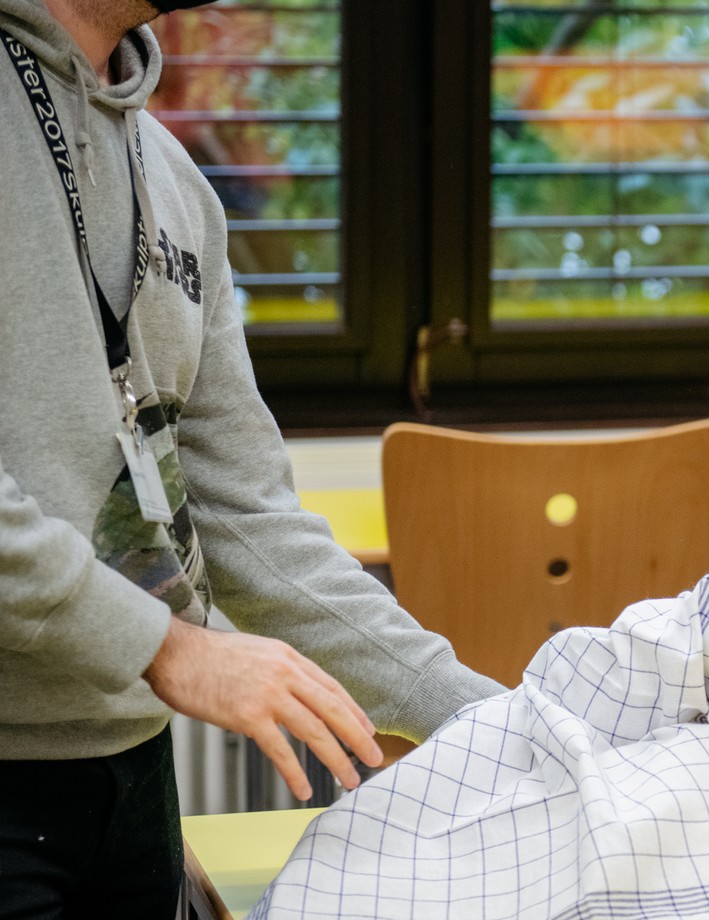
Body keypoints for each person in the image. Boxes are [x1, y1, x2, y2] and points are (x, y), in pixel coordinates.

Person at [0, 0, 503, 915]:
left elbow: (248, 516)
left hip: (130, 779)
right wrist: (166, 648)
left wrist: (483, 715)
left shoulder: (176, 183)